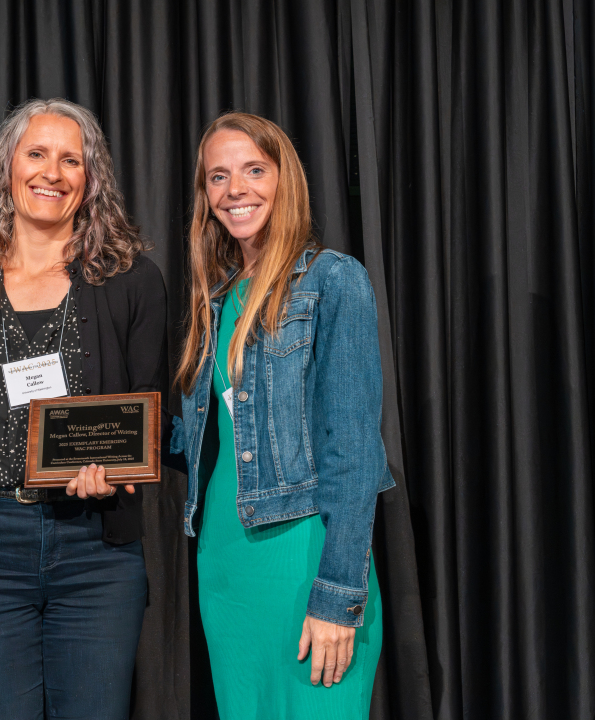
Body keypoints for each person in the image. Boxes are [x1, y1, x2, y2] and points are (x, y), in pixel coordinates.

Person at [0, 98, 167, 720]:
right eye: (37, 154)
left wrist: (117, 470)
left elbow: (154, 415)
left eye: (70, 160)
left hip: (96, 550)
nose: (52, 172)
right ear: (8, 167)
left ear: (90, 180)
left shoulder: (132, 282)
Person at [167, 112, 394, 718]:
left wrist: (337, 596)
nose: (235, 189)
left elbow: (354, 453)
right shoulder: (214, 302)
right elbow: (191, 439)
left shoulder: (334, 281)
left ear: (284, 178)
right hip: (224, 563)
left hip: (306, 560)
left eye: (253, 170)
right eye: (218, 176)